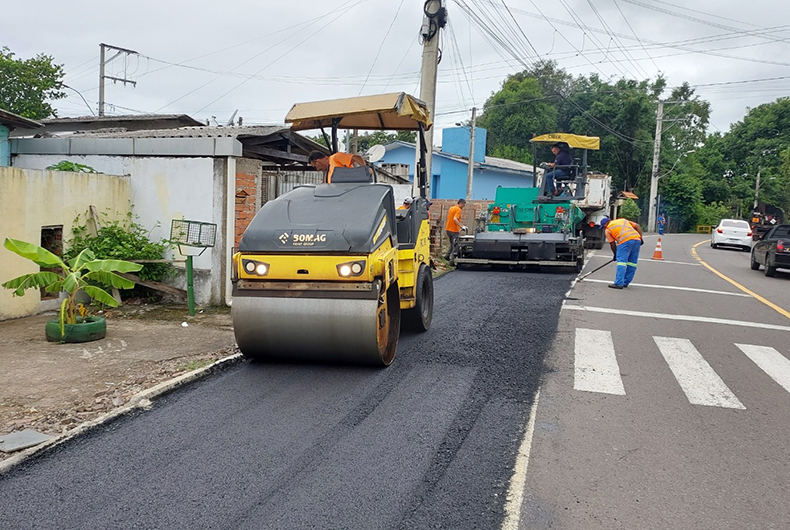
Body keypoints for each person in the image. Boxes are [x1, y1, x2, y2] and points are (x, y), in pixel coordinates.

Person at [601, 216, 643, 289]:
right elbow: (637, 226)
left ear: (605, 224)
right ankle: (625, 282)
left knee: (621, 262)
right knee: (632, 263)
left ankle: (619, 283)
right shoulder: (622, 220)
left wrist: (615, 255)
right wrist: (640, 238)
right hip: (636, 240)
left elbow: (612, 244)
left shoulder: (608, 229)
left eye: (603, 226)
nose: (604, 228)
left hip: (625, 242)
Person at [445, 198, 467, 263]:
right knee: (455, 245)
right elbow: (455, 219)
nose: (463, 207)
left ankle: (447, 255)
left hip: (448, 229)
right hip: (454, 230)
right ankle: (452, 261)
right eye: (463, 205)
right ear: (461, 203)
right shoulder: (458, 210)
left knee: (452, 243)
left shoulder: (451, 208)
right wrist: (461, 226)